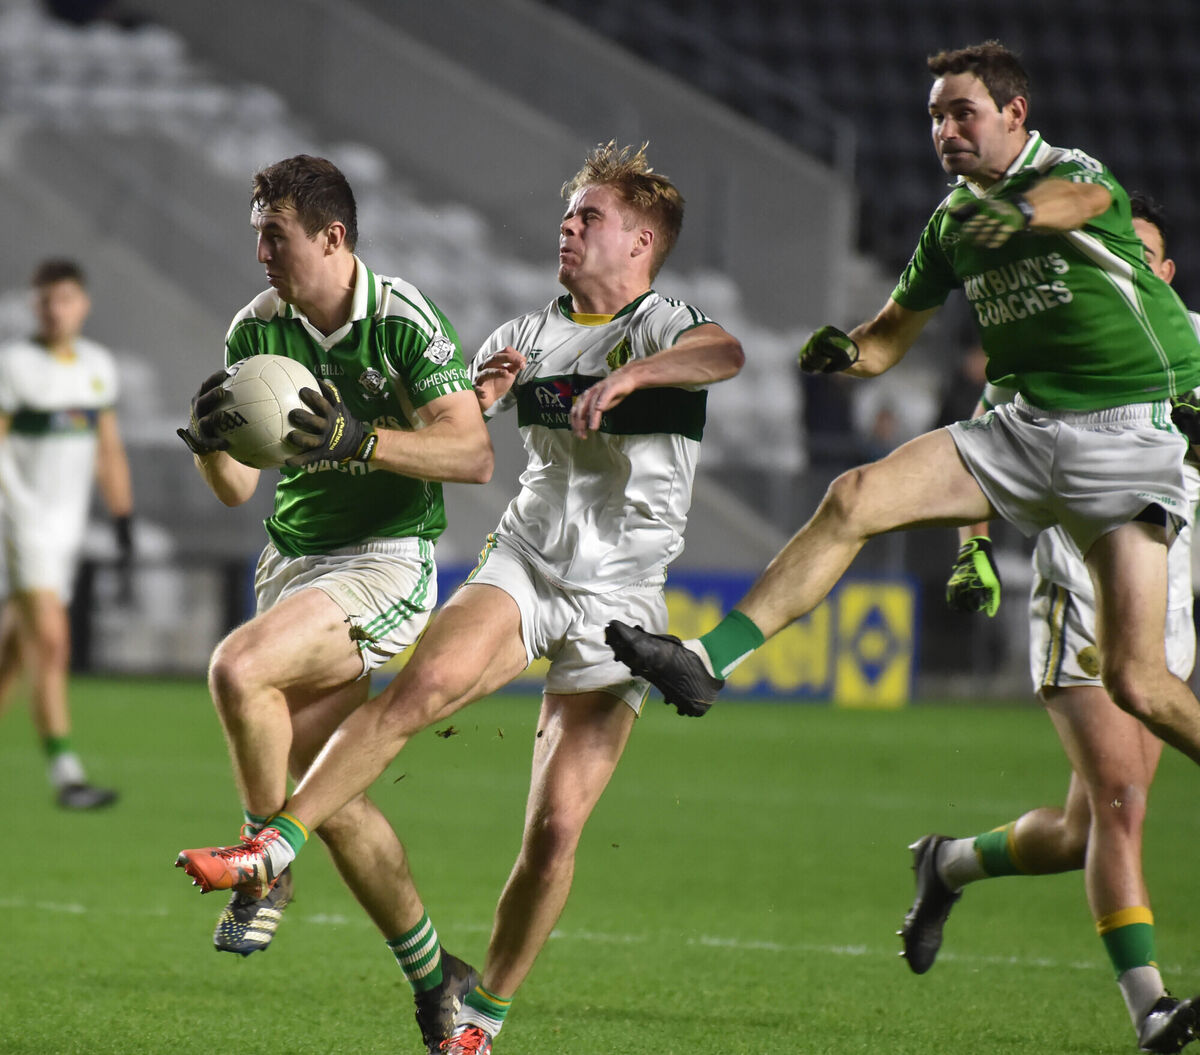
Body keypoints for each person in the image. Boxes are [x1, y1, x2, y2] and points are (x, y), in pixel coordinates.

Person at [605, 39, 1200, 1032]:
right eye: (934, 116)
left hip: (1120, 445)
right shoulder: (951, 225)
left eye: (963, 112)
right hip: (1022, 430)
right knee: (854, 496)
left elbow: (1077, 208)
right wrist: (851, 352)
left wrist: (1012, 211)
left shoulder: (1068, 174)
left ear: (1015, 114)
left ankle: (954, 862)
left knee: (1140, 687)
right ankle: (707, 659)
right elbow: (889, 335)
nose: (944, 130)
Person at [176, 141, 744, 1055]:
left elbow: (727, 351)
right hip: (522, 562)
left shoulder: (662, 324)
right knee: (411, 703)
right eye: (566, 215)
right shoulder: (519, 339)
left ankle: (478, 1019)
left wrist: (632, 374)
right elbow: (461, 438)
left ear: (641, 239)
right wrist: (480, 396)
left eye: (588, 216)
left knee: (556, 830)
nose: (568, 226)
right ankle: (282, 853)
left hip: (620, 599)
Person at [173, 154, 494, 1054]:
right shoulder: (256, 330)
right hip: (294, 562)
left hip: (383, 562)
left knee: (238, 666)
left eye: (275, 236)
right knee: (332, 797)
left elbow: (470, 454)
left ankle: (261, 865)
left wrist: (360, 440)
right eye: (257, 236)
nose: (262, 253)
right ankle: (439, 981)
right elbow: (238, 487)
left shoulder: (402, 320)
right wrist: (206, 444)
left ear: (332, 236)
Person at [905, 193, 1200, 1054]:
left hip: (1173, 609)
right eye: (1117, 253)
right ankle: (1149, 1005)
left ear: (1167, 271)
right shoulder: (1055, 345)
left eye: (1142, 256)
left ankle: (947, 860)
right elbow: (981, 447)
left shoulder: (1190, 348)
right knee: (1121, 805)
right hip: (1083, 593)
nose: (1127, 268)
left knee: (1083, 831)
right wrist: (973, 547)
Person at [0, 258, 133, 809]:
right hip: (19, 518)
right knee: (52, 642)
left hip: (65, 529)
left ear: (83, 304)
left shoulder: (97, 367)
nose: (56, 310)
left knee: (12, 650)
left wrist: (123, 521)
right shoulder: (14, 365)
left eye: (66, 299)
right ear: (36, 306)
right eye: (47, 300)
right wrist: (15, 508)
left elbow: (107, 449)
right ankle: (67, 776)